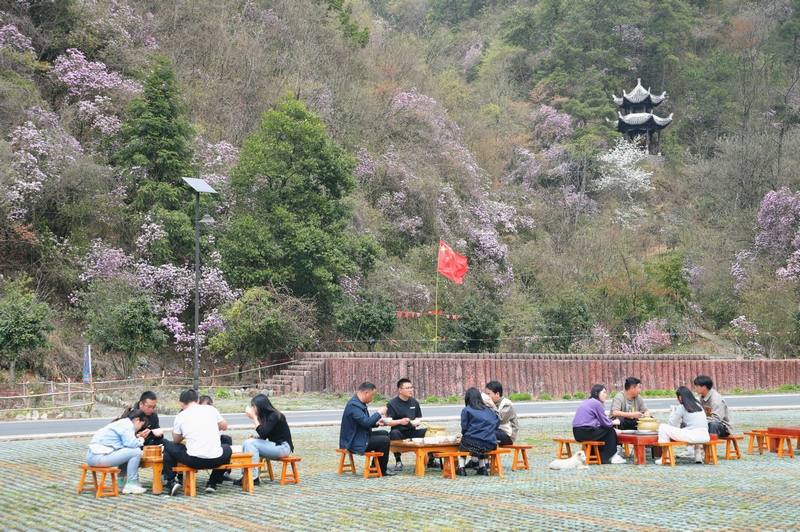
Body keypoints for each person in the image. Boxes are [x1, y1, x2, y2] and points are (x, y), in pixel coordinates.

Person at [162, 389, 233, 495]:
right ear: (198, 399)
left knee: (169, 446)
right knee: (227, 448)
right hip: (215, 459)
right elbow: (224, 426)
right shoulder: (211, 410)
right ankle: (212, 483)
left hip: (193, 460)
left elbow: (176, 440)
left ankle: (171, 481)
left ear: (181, 403)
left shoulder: (181, 416)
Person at [235, 393, 294, 487]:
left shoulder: (274, 415)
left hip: (283, 447)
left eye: (254, 406)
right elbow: (264, 435)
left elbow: (263, 433)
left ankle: (253, 478)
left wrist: (254, 417)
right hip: (275, 445)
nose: (253, 409)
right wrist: (256, 438)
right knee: (247, 443)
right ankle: (246, 475)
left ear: (261, 406)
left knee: (250, 443)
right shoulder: (266, 416)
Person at [339, 382, 396, 477]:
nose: (372, 398)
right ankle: (382, 469)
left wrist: (376, 423)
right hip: (353, 441)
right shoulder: (354, 406)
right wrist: (379, 413)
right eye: (372, 395)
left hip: (359, 436)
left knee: (384, 433)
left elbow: (363, 422)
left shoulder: (358, 403)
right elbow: (366, 422)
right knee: (385, 440)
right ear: (366, 393)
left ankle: (375, 466)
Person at [85, 408, 148, 494]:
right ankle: (131, 483)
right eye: (141, 425)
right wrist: (141, 439)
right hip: (99, 457)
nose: (140, 428)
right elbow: (131, 444)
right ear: (137, 420)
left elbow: (126, 445)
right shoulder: (127, 425)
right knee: (136, 451)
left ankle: (121, 484)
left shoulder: (122, 423)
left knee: (125, 451)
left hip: (92, 456)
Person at [572, 384, 626, 464]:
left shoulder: (587, 401)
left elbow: (599, 423)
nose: (606, 395)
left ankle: (601, 455)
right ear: (597, 393)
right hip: (585, 431)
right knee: (609, 430)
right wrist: (614, 422)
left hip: (577, 432)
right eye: (604, 393)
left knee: (607, 430)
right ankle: (614, 456)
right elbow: (605, 423)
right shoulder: (597, 403)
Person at [656, 386, 710, 465]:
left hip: (693, 436)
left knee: (662, 427)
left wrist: (673, 411)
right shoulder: (699, 405)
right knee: (689, 429)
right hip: (705, 436)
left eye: (677, 397)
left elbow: (671, 424)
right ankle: (698, 454)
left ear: (680, 397)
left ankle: (665, 457)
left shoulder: (682, 407)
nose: (676, 399)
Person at [385, 378, 430, 471]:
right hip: (399, 431)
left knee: (429, 432)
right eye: (407, 388)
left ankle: (431, 458)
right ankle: (398, 460)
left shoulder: (414, 402)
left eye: (411, 388)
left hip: (412, 430)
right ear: (400, 390)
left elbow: (418, 416)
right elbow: (388, 422)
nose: (410, 390)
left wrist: (416, 422)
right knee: (394, 433)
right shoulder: (392, 404)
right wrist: (400, 421)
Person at [456, 387, 500, 476]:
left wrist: (466, 435)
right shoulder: (488, 410)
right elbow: (496, 423)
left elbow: (464, 428)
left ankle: (461, 468)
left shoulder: (467, 410)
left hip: (473, 442)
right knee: (480, 444)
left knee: (463, 444)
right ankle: (482, 467)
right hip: (490, 443)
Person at [484, 380, 519, 445]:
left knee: (486, 433)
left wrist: (492, 406)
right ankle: (481, 455)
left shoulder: (507, 404)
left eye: (488, 394)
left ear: (497, 394)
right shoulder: (490, 404)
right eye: (486, 394)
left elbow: (500, 420)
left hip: (507, 435)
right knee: (479, 433)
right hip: (495, 431)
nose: (487, 396)